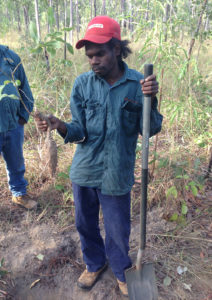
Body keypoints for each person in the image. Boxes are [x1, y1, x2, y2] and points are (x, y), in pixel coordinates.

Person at [36, 16, 163, 297]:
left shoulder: (138, 84)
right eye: (89, 55)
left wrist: (151, 99)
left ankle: (121, 270)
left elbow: (151, 129)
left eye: (100, 54)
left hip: (117, 172)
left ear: (116, 49)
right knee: (84, 223)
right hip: (85, 170)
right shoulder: (82, 85)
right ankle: (94, 263)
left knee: (118, 228)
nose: (94, 61)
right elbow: (80, 131)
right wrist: (61, 126)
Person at [0, 45, 36, 209]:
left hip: (13, 124)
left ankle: (19, 193)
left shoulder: (11, 57)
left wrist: (23, 115)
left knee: (16, 161)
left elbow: (25, 89)